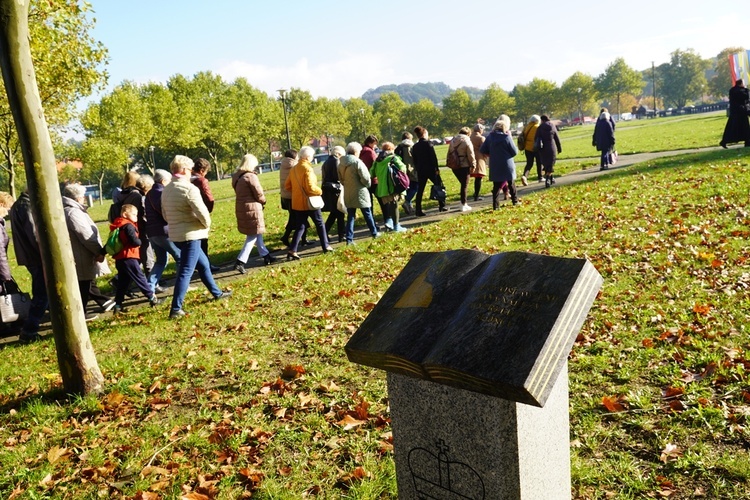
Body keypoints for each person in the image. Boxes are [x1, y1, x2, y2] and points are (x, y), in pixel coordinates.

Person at [162, 155, 231, 319]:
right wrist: (206, 224)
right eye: (190, 169)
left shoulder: (167, 189)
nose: (191, 172)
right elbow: (202, 213)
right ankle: (175, 309)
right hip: (191, 234)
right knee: (186, 271)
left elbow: (164, 214)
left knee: (204, 264)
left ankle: (217, 293)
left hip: (177, 233)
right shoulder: (189, 188)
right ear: (185, 170)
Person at [61, 184, 110, 320]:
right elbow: (86, 235)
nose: (83, 198)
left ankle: (103, 303)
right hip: (81, 253)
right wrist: (99, 251)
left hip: (79, 252)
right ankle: (80, 314)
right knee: (84, 283)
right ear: (77, 197)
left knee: (86, 282)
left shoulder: (67, 210)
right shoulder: (73, 212)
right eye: (82, 196)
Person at [109, 204, 163, 314]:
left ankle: (118, 305)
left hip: (120, 258)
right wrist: (139, 242)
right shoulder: (128, 226)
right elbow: (133, 241)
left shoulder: (117, 225)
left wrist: (102, 253)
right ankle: (152, 299)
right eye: (134, 214)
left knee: (123, 283)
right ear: (125, 214)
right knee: (140, 278)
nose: (136, 217)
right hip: (129, 257)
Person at [9, 190, 47, 342]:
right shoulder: (27, 205)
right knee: (42, 293)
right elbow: (34, 234)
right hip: (36, 257)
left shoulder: (19, 204)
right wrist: (45, 254)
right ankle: (29, 330)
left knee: (43, 292)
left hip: (29, 255)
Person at [284, 146, 332, 260]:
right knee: (320, 224)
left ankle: (292, 250)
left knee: (300, 226)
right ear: (308, 157)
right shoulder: (307, 168)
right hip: (310, 202)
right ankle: (326, 246)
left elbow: (287, 186)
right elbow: (310, 187)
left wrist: (297, 192)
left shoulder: (294, 169)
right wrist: (320, 191)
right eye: (312, 156)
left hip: (298, 203)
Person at [232, 153, 276, 274]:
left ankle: (266, 255)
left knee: (257, 232)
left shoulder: (237, 176)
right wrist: (263, 201)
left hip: (242, 207)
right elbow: (258, 192)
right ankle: (240, 261)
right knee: (252, 236)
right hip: (252, 207)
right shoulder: (250, 176)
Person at [145, 169, 180, 294]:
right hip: (164, 231)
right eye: (169, 180)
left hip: (152, 232)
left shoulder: (149, 193)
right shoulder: (161, 192)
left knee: (160, 261)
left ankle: (150, 286)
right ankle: (182, 285)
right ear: (163, 181)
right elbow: (165, 212)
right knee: (180, 257)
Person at [338, 142, 379, 245]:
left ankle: (349, 239)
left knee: (351, 216)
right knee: (367, 213)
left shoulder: (341, 164)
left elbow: (340, 179)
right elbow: (366, 177)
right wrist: (367, 184)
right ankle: (374, 232)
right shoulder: (357, 162)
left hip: (348, 191)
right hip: (360, 190)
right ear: (356, 152)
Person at [480, 115, 519, 208]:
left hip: (495, 163)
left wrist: (491, 154)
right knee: (511, 183)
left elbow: (482, 150)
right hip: (507, 163)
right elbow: (514, 151)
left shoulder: (490, 137)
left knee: (496, 186)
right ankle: (515, 200)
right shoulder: (506, 137)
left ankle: (495, 205)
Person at [369, 142, 408, 232]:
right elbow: (403, 168)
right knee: (394, 205)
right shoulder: (393, 158)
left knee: (389, 205)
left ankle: (389, 222)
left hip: (382, 188)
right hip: (393, 186)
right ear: (391, 149)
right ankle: (396, 226)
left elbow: (372, 173)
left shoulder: (377, 161)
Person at [191, 158, 219, 272]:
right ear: (202, 170)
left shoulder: (187, 180)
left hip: (189, 213)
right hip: (200, 212)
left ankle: (197, 264)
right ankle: (205, 265)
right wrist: (208, 210)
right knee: (203, 241)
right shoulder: (201, 181)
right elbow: (209, 198)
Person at [412, 126, 447, 216]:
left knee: (420, 190)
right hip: (431, 169)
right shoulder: (429, 144)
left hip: (421, 170)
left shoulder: (415, 146)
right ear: (424, 134)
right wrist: (436, 168)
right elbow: (433, 157)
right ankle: (441, 205)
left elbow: (414, 160)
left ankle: (418, 210)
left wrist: (417, 168)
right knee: (439, 185)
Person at [279, 149, 307, 246]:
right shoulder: (294, 165)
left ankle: (300, 238)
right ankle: (293, 238)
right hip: (293, 196)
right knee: (300, 217)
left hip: (285, 196)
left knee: (294, 217)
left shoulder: (283, 165)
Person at [448, 127, 477, 212]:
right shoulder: (467, 141)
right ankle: (463, 204)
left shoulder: (453, 141)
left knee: (463, 184)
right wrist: (473, 165)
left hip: (455, 165)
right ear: (468, 134)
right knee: (464, 185)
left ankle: (464, 203)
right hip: (464, 164)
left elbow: (449, 153)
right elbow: (471, 154)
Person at [321, 146, 346, 243]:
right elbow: (337, 175)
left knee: (334, 213)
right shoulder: (336, 161)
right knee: (339, 213)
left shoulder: (327, 161)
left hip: (329, 189)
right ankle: (341, 235)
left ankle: (325, 232)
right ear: (339, 154)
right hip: (335, 189)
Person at [360, 135, 385, 224]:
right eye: (374, 144)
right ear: (371, 143)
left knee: (369, 202)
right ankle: (387, 218)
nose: (375, 146)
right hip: (373, 180)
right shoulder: (370, 152)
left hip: (365, 181)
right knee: (382, 200)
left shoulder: (361, 151)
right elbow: (375, 164)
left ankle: (371, 221)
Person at [720, 79, 750, 148]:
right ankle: (747, 141)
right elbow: (746, 97)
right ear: (741, 84)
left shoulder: (732, 90)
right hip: (741, 112)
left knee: (731, 128)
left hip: (734, 112)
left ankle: (724, 141)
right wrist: (746, 89)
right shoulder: (742, 91)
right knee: (745, 127)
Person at [535, 115, 562, 188]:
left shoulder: (539, 128)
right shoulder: (552, 126)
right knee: (550, 163)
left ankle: (551, 178)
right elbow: (556, 137)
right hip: (551, 146)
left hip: (542, 148)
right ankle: (548, 179)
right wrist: (559, 148)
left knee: (546, 164)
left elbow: (536, 138)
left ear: (542, 120)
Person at [394, 132, 417, 214]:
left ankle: (410, 207)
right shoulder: (409, 146)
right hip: (410, 170)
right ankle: (407, 202)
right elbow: (410, 161)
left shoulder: (398, 148)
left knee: (408, 188)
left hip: (401, 172)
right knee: (415, 187)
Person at [520, 115, 541, 185]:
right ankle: (540, 177)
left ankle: (524, 176)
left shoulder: (526, 127)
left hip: (527, 148)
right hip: (536, 147)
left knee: (529, 163)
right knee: (539, 162)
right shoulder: (537, 127)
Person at [469, 124, 487, 201]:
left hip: (470, 158)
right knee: (478, 177)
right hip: (479, 159)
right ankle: (476, 195)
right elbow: (484, 149)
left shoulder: (469, 137)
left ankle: (473, 194)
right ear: (480, 130)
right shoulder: (481, 138)